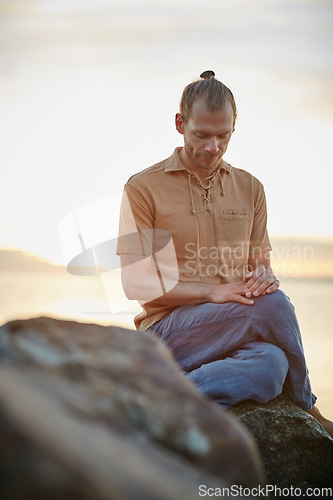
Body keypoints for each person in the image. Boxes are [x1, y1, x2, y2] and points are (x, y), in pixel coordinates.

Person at [116, 70, 333, 436]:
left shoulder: (252, 188)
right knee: (277, 306)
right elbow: (136, 283)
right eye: (201, 135)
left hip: (233, 331)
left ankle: (168, 402)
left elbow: (259, 269)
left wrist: (263, 278)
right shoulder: (142, 188)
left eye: (224, 135)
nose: (213, 147)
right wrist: (210, 292)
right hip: (167, 334)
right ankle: (307, 406)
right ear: (180, 123)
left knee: (272, 363)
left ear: (234, 127)